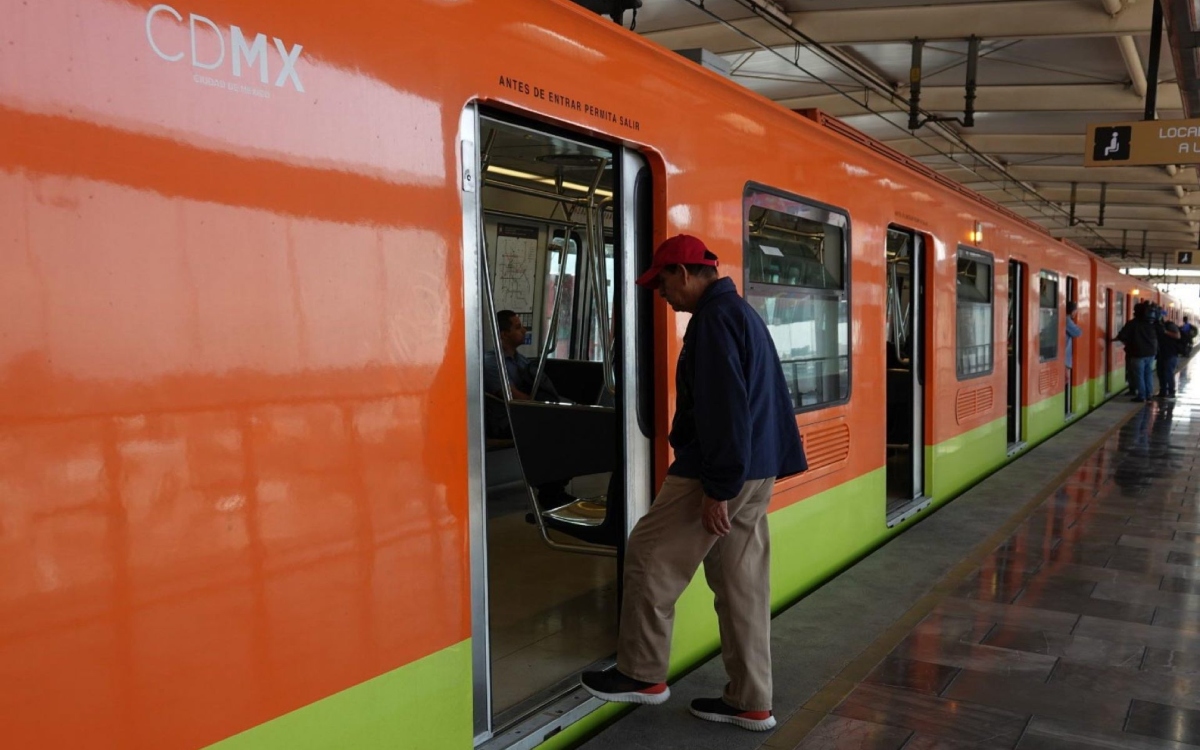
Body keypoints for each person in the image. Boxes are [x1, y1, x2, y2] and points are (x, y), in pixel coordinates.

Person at [580, 235, 807, 732]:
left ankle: (641, 673)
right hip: (757, 467)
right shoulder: (739, 313)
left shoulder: (713, 321)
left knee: (648, 554)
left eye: (661, 282)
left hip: (720, 470)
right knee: (741, 585)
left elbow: (724, 410)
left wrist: (717, 489)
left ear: (683, 273)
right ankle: (751, 701)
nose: (660, 294)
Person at [483, 310, 573, 504]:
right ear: (503, 334)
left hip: (524, 414)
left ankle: (555, 487)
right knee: (554, 428)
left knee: (567, 422)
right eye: (517, 327)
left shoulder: (522, 361)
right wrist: (543, 407)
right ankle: (550, 490)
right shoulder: (492, 363)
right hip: (504, 419)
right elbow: (512, 397)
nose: (524, 330)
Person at [1115, 301, 1157, 403]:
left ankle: (1141, 396)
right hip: (1151, 353)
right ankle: (1149, 395)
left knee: (1139, 375)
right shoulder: (1152, 323)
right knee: (1148, 374)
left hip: (1138, 353)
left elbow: (1122, 336)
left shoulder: (1132, 324)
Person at [1155, 306, 1182, 400]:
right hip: (1161, 354)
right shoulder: (1157, 325)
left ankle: (1171, 392)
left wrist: (1165, 332)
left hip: (1171, 354)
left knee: (1168, 373)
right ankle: (1163, 391)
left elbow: (1177, 336)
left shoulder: (1170, 325)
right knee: (1160, 373)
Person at [1065, 301, 1081, 403]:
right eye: (1075, 311)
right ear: (1072, 312)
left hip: (1063, 356)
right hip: (1064, 357)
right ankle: (1065, 402)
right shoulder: (1067, 321)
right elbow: (1078, 333)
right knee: (1066, 380)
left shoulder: (1058, 318)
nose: (1076, 313)